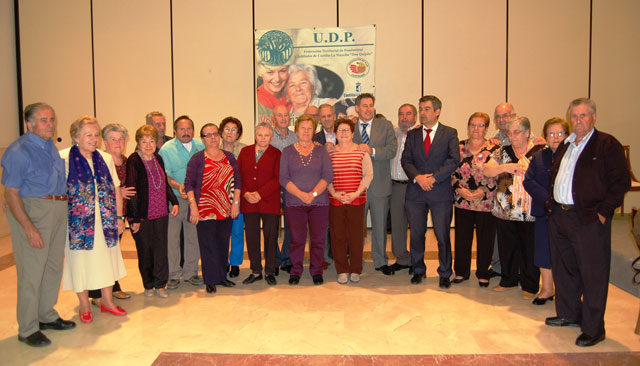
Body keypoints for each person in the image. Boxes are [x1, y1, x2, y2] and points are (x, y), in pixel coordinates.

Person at [545, 98, 630, 347]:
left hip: (588, 219)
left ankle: (594, 329)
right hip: (560, 216)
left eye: (583, 116)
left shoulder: (606, 144)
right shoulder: (567, 144)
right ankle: (570, 313)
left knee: (593, 274)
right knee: (565, 268)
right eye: (574, 116)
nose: (578, 121)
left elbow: (621, 181)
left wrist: (603, 212)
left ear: (594, 117)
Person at [2, 103, 75, 347]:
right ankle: (28, 327)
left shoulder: (51, 148)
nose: (50, 124)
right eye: (44, 120)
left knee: (53, 266)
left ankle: (46, 315)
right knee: (32, 272)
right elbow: (11, 193)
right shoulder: (18, 151)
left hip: (57, 209)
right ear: (29, 124)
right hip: (34, 211)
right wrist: (28, 227)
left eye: (52, 119)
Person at [60, 116, 128, 323]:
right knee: (80, 262)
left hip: (105, 220)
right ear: (76, 137)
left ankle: (107, 302)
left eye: (96, 134)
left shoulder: (104, 158)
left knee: (107, 259)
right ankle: (84, 304)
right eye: (88, 135)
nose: (94, 139)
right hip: (77, 223)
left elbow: (116, 188)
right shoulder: (63, 158)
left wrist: (118, 218)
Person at [401, 95, 460, 287]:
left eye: (426, 109)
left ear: (437, 111)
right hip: (416, 192)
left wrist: (434, 178)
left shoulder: (449, 133)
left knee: (442, 234)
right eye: (421, 109)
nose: (422, 113)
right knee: (417, 233)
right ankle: (418, 269)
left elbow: (453, 160)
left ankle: (444, 272)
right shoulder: (413, 134)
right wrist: (418, 177)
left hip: (439, 191)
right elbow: (406, 160)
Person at [483, 116, 543, 298]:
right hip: (505, 209)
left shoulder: (540, 151)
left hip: (529, 210)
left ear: (527, 133)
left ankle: (529, 285)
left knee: (529, 248)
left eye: (517, 132)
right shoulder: (502, 152)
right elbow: (487, 170)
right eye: (510, 133)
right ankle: (508, 280)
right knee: (507, 247)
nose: (513, 136)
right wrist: (506, 167)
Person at [184, 123, 242, 294]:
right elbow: (189, 184)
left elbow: (238, 180)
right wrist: (193, 207)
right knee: (208, 245)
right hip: (204, 209)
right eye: (208, 135)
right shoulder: (197, 158)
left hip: (226, 208)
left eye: (215, 134)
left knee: (223, 243)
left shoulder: (229, 156)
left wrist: (235, 203)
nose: (213, 138)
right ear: (202, 139)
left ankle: (222, 276)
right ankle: (210, 279)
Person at [280, 114, 333, 285]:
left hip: (319, 202)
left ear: (314, 131)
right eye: (303, 127)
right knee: (297, 239)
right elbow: (284, 178)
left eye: (310, 128)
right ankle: (296, 270)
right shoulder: (287, 151)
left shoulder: (321, 150)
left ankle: (316, 270)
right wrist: (301, 195)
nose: (306, 131)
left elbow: (327, 175)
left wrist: (313, 195)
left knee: (318, 239)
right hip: (295, 202)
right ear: (296, 131)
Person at [126, 125, 179, 298]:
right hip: (143, 214)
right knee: (145, 250)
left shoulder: (158, 158)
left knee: (160, 249)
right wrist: (134, 218)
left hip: (161, 212)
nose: (148, 145)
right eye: (144, 141)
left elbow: (164, 183)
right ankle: (148, 285)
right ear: (138, 142)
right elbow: (132, 191)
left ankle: (160, 284)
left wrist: (174, 201)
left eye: (151, 141)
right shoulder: (133, 160)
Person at [523, 117, 570, 304]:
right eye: (551, 133)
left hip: (567, 213)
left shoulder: (572, 156)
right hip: (545, 210)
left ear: (567, 135)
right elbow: (529, 181)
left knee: (566, 253)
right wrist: (548, 200)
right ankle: (547, 289)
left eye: (560, 133)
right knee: (543, 251)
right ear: (545, 136)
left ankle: (566, 291)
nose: (555, 137)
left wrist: (559, 200)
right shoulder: (539, 157)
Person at [89, 124, 135, 307]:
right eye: (114, 139)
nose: (118, 142)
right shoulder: (98, 160)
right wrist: (118, 192)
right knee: (100, 255)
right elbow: (93, 189)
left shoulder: (125, 161)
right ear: (105, 142)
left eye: (121, 139)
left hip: (119, 215)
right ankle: (96, 293)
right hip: (102, 216)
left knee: (113, 253)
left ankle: (114, 287)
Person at [451, 112, 499, 287]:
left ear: (486, 128)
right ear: (468, 126)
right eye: (473, 124)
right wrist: (459, 189)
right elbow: (450, 171)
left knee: (485, 238)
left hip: (485, 201)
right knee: (462, 237)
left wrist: (484, 190)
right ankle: (461, 272)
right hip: (462, 199)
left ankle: (483, 273)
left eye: (480, 125)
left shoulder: (494, 149)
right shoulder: (458, 147)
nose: (476, 129)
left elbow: (498, 174)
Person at [352, 93, 397, 275]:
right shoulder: (349, 127)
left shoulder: (385, 125)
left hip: (379, 184)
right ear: (357, 108)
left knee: (379, 226)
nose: (368, 109)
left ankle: (380, 261)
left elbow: (392, 150)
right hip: (357, 186)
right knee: (356, 227)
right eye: (364, 106)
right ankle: (356, 260)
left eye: (371, 105)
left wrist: (371, 150)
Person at [158, 115, 205, 290]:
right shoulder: (166, 149)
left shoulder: (201, 146)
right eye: (182, 129)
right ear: (175, 131)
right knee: (172, 238)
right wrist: (179, 186)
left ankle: (191, 272)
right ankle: (172, 274)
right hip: (175, 200)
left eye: (189, 129)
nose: (186, 133)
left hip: (195, 201)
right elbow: (164, 176)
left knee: (193, 236)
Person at [327, 119, 373, 283]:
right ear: (335, 133)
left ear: (353, 133)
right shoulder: (330, 153)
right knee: (338, 236)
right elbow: (326, 176)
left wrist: (355, 193)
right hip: (336, 200)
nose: (344, 133)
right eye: (340, 130)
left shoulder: (362, 152)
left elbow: (368, 175)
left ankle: (355, 268)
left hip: (356, 200)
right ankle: (341, 269)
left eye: (347, 130)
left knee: (355, 236)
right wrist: (334, 193)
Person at [237, 123, 282, 286]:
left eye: (267, 135)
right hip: (249, 201)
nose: (263, 139)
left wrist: (260, 193)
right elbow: (238, 175)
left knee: (271, 237)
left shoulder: (277, 153)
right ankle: (256, 270)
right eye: (260, 135)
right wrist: (246, 193)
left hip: (269, 201)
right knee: (252, 236)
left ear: (271, 137)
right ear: (255, 136)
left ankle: (270, 270)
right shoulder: (245, 152)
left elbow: (278, 178)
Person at [389, 103, 417, 273]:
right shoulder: (393, 135)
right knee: (398, 225)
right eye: (401, 114)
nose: (404, 117)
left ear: (415, 117)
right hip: (396, 187)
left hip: (414, 187)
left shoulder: (420, 136)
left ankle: (416, 260)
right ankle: (402, 258)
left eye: (408, 114)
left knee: (416, 225)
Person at [270, 104, 298, 273]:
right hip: (272, 188)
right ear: (273, 118)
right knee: (271, 226)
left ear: (289, 117)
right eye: (279, 115)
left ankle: (287, 259)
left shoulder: (295, 138)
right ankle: (274, 259)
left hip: (290, 188)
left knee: (291, 226)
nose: (282, 118)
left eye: (285, 115)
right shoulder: (267, 137)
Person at [220, 117, 247, 278]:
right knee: (221, 232)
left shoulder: (244, 150)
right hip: (219, 198)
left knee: (237, 231)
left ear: (238, 134)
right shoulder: (214, 148)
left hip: (238, 196)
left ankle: (235, 263)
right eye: (227, 129)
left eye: (233, 130)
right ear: (221, 132)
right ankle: (223, 261)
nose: (230, 132)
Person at [313, 104, 337, 269]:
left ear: (334, 116)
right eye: (324, 116)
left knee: (339, 224)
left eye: (329, 115)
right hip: (321, 186)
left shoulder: (345, 132)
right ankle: (323, 257)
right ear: (320, 119)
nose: (327, 119)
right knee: (322, 225)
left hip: (342, 184)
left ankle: (339, 255)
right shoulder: (315, 139)